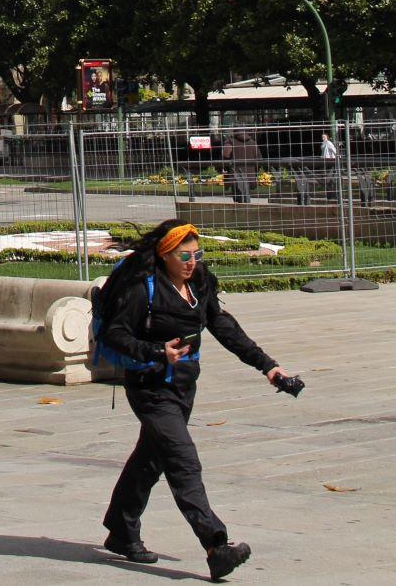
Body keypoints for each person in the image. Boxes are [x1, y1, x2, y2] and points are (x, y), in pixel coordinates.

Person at [101, 219, 290, 580]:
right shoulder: (145, 289)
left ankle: (122, 530)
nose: (192, 261)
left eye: (196, 253)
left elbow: (224, 327)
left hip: (184, 387)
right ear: (165, 255)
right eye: (183, 255)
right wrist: (157, 351)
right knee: (183, 462)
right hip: (150, 387)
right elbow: (115, 334)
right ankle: (215, 546)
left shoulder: (199, 283)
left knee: (151, 459)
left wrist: (268, 366)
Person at [220, 127, 259, 206]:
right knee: (246, 199)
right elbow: (259, 159)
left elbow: (225, 155)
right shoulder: (252, 142)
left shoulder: (230, 142)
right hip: (250, 175)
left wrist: (224, 168)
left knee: (237, 201)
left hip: (235, 176)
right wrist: (255, 171)